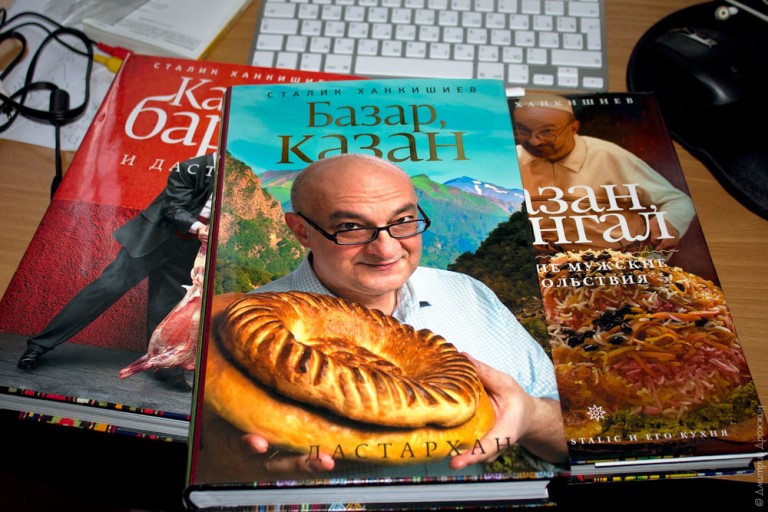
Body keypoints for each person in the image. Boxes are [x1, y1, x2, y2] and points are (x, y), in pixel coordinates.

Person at [202, 153, 568, 479]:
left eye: (403, 220)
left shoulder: (468, 295)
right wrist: (224, 468)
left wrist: (531, 415)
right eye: (350, 227)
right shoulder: (225, 334)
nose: (387, 249)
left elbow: (577, 442)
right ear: (302, 231)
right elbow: (201, 463)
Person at [16, 153, 215, 392]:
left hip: (187, 249)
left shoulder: (236, 178)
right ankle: (38, 346)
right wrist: (199, 228)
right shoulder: (191, 167)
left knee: (167, 307)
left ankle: (164, 367)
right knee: (107, 288)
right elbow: (173, 208)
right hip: (154, 238)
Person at [512, 94, 696, 253]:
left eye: (547, 132)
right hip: (546, 261)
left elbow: (678, 200)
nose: (534, 141)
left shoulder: (609, 155)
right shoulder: (513, 157)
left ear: (573, 128)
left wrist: (670, 222)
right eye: (523, 131)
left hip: (619, 258)